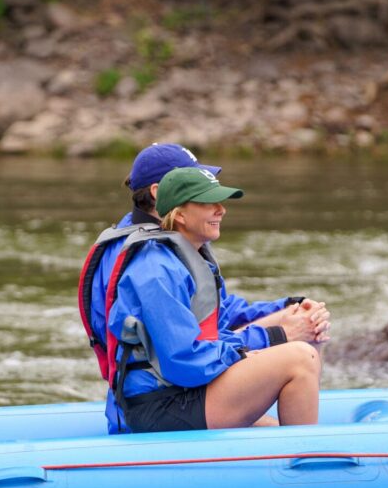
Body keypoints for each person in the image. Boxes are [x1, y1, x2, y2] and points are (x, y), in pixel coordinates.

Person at [78, 142, 329, 433]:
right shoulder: (152, 265)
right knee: (300, 357)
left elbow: (214, 313)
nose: (221, 210)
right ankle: (306, 465)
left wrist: (288, 309)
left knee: (299, 331)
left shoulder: (176, 245)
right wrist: (268, 339)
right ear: (167, 200)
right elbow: (184, 358)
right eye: (204, 197)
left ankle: (295, 452)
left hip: (179, 384)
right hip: (162, 400)